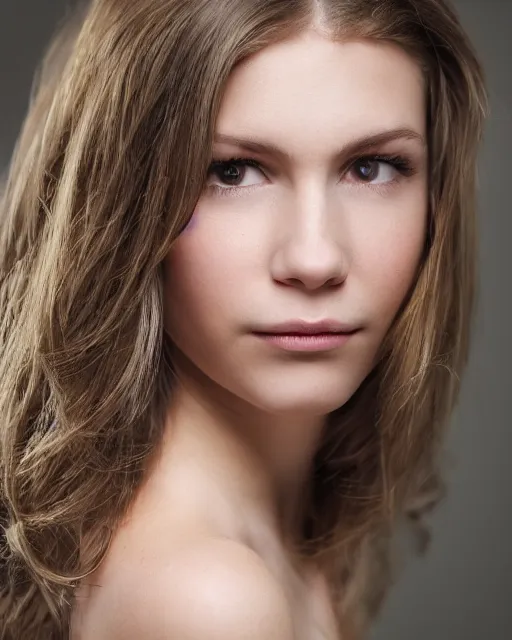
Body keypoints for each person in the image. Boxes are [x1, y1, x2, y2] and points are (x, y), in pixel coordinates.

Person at [0, 0, 488, 638]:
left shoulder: (289, 546)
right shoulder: (209, 600)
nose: (315, 258)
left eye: (370, 168)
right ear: (125, 203)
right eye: (233, 172)